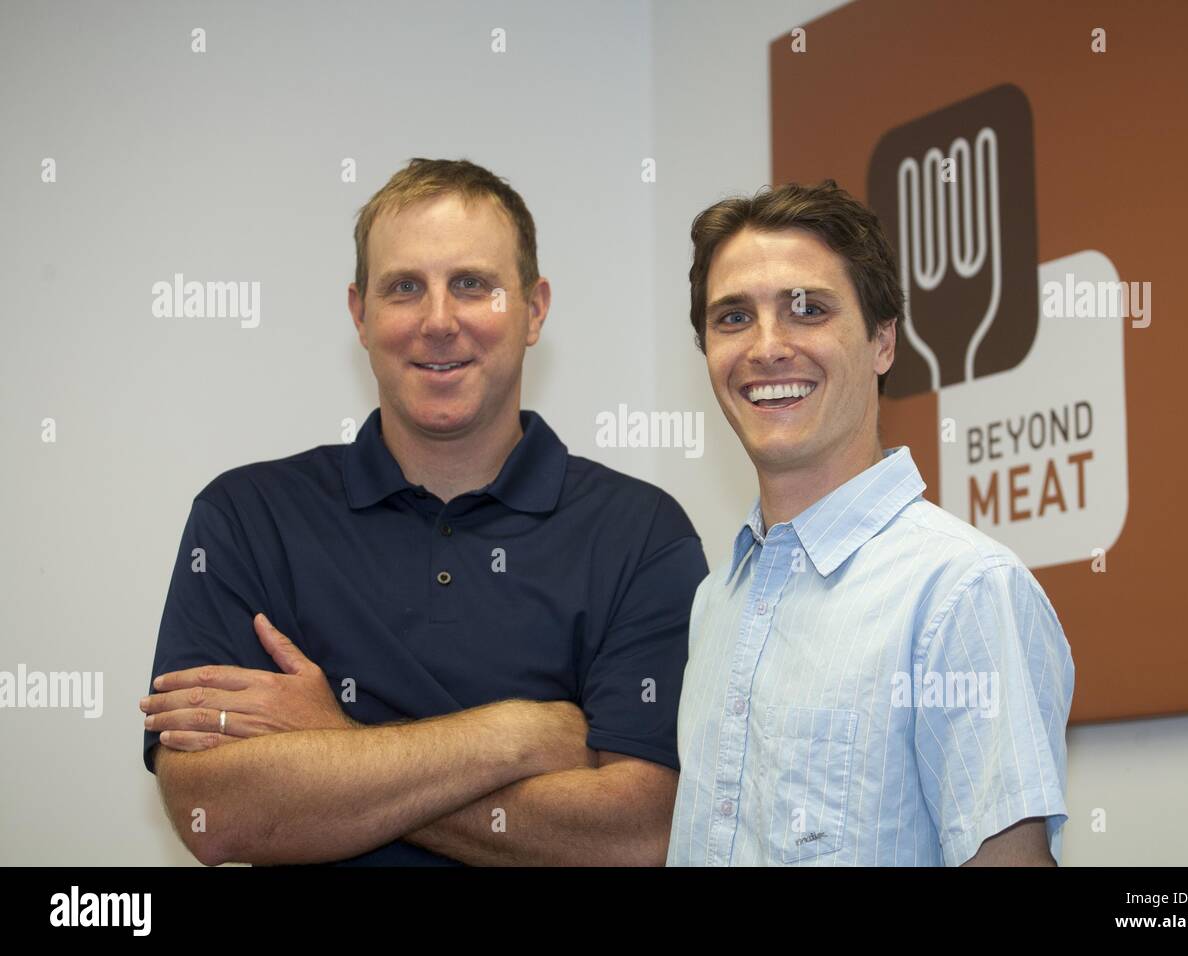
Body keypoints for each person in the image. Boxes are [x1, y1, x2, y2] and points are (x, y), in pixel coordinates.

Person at [140, 158, 708, 866]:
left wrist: (335, 745)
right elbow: (212, 812)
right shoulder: (246, 517)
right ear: (361, 314)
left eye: (472, 285)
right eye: (405, 288)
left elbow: (638, 833)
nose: (439, 322)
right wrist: (517, 737)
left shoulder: (643, 534)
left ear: (533, 310)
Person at [666, 180, 1074, 866]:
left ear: (883, 342)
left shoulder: (963, 592)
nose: (766, 348)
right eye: (732, 318)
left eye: (807, 310)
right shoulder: (716, 603)